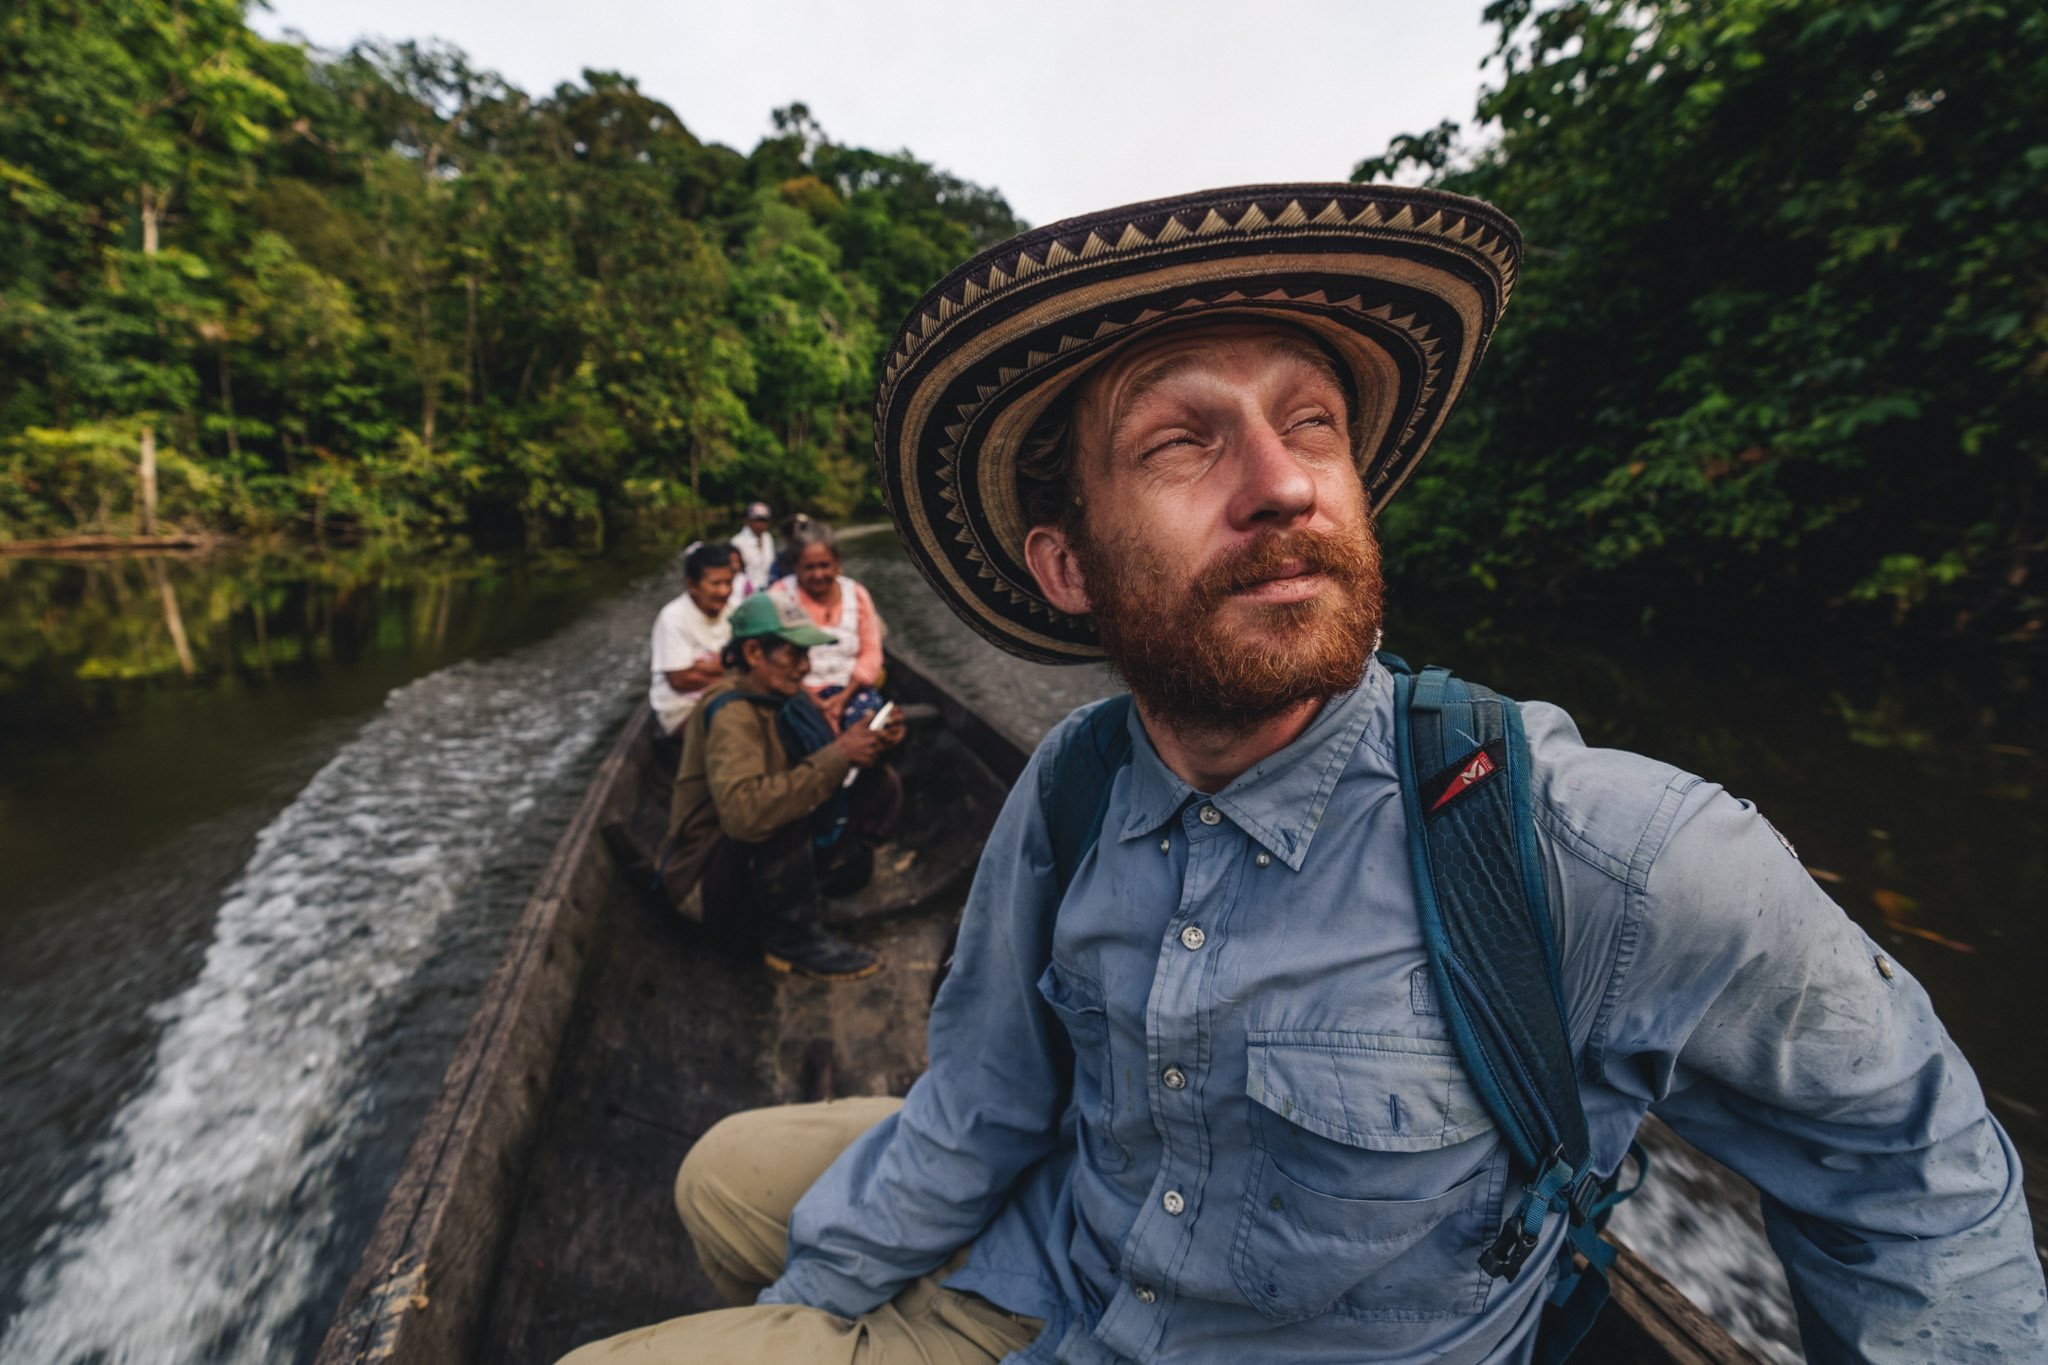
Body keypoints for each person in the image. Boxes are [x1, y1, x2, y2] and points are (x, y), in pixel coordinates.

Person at [562, 186, 2044, 1363]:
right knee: (718, 1174)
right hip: (1058, 1270)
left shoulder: (1603, 850)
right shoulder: (1073, 786)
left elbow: (1910, 1169)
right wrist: (826, 1304)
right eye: (1182, 442)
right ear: (1067, 568)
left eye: (1312, 423)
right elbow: (989, 1093)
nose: (1282, 483)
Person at [664, 591, 906, 982]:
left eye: (805, 654)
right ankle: (791, 938)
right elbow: (745, 815)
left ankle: (817, 883)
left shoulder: (783, 697)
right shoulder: (733, 714)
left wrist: (873, 743)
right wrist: (841, 754)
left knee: (880, 783)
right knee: (778, 812)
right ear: (753, 653)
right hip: (712, 879)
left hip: (756, 859)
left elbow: (823, 761)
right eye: (794, 654)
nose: (805, 666)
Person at [768, 521, 887, 731]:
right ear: (795, 566)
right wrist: (816, 702)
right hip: (796, 690)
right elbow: (773, 658)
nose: (818, 574)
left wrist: (842, 699)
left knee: (869, 724)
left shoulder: (857, 594)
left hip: (850, 688)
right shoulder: (779, 595)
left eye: (824, 565)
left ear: (837, 563)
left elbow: (871, 651)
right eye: (809, 567)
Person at [647, 541, 738, 740]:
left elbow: (742, 660)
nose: (724, 591)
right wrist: (732, 677)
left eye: (728, 582)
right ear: (691, 585)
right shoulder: (673, 617)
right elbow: (680, 680)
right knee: (739, 727)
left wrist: (706, 668)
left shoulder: (732, 610)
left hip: (724, 695)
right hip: (683, 710)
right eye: (716, 583)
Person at [731, 500, 777, 594]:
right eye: (757, 520)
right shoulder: (737, 542)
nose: (762, 524)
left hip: (768, 589)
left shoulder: (767, 537)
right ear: (747, 521)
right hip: (747, 592)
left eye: (764, 520)